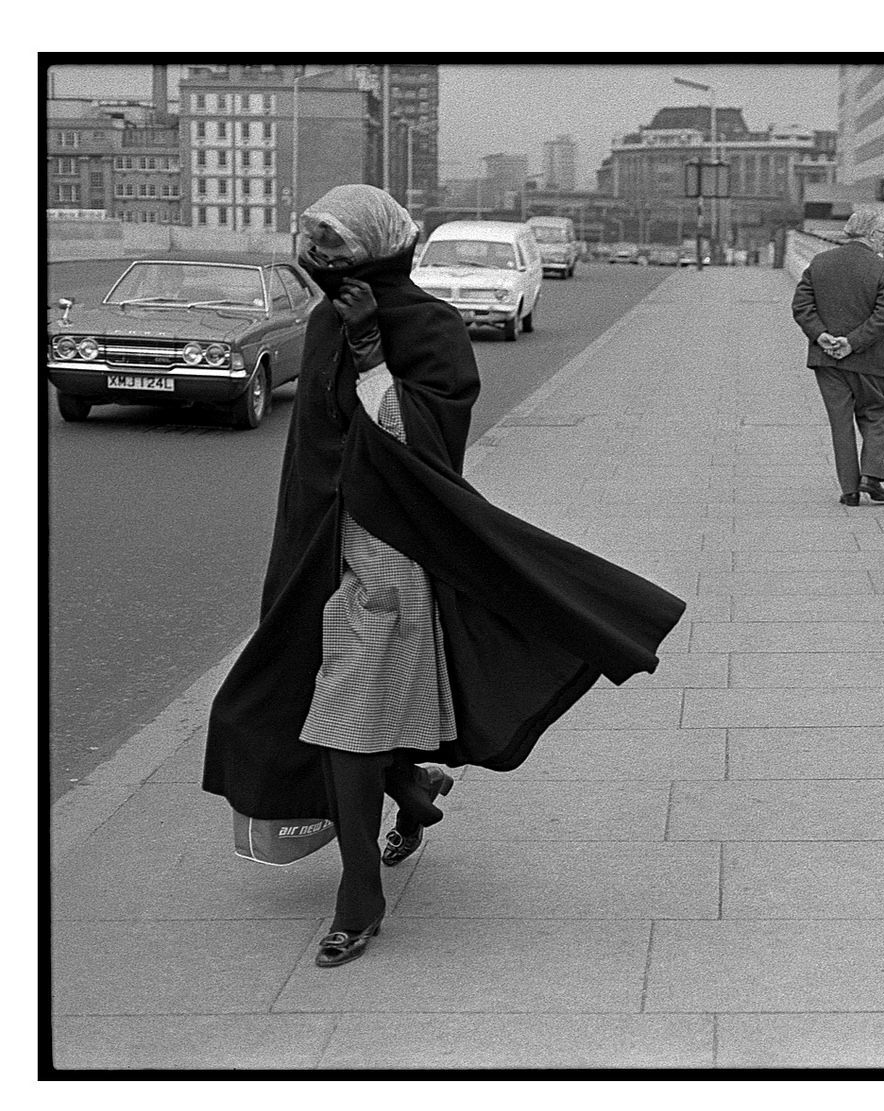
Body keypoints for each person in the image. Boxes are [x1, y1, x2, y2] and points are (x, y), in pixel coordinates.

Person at [203, 185, 684, 968]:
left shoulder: (428, 326)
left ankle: (359, 897)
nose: (318, 262)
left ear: (377, 251)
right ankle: (414, 790)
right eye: (312, 245)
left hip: (391, 548)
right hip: (316, 552)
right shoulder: (326, 317)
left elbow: (419, 441)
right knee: (289, 701)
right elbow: (311, 456)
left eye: (335, 248)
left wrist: (372, 354)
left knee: (347, 720)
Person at [791, 209, 884, 506]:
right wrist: (853, 342)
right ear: (871, 235)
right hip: (869, 359)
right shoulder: (882, 269)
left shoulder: (820, 262)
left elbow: (802, 305)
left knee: (840, 422)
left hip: (827, 359)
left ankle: (850, 490)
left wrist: (821, 335)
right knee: (877, 413)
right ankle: (871, 475)